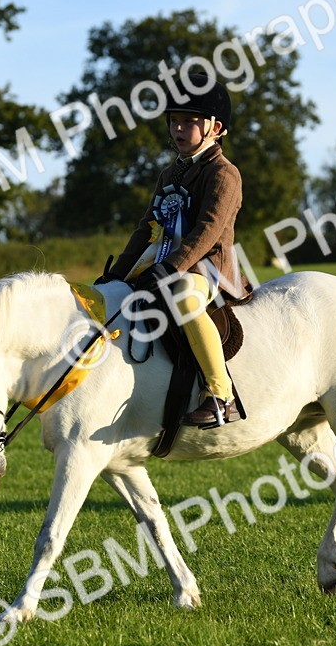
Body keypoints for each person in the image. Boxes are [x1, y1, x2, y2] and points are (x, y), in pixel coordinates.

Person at [97, 72, 248, 427]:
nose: (179, 130)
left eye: (190, 122)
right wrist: (117, 273)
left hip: (205, 269)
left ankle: (220, 394)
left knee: (183, 299)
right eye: (175, 122)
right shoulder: (169, 175)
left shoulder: (224, 174)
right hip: (162, 264)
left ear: (215, 127)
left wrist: (173, 267)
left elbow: (208, 230)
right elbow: (146, 228)